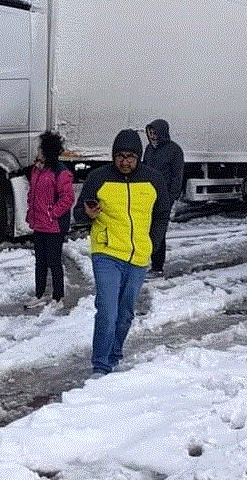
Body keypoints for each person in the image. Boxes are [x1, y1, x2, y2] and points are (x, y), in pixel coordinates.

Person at [74, 129, 169, 378]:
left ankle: (114, 355)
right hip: (106, 252)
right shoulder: (98, 178)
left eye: (130, 156)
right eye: (120, 156)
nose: (125, 161)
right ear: (113, 156)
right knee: (107, 309)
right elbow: (79, 212)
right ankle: (101, 365)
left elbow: (161, 215)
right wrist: (87, 215)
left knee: (125, 313)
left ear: (138, 157)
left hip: (138, 256)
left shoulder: (153, 180)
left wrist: (153, 243)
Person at [22, 131, 74, 310]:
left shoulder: (60, 172)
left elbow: (67, 199)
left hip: (53, 226)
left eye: (40, 148)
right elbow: (33, 194)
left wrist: (52, 214)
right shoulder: (37, 168)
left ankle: (58, 297)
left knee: (54, 261)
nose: (37, 151)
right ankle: (39, 294)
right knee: (40, 262)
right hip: (39, 225)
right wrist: (32, 214)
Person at [143, 118, 184, 274]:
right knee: (145, 229)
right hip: (147, 196)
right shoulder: (149, 149)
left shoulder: (174, 150)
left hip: (163, 198)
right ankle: (144, 262)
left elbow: (177, 176)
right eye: (150, 133)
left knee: (158, 232)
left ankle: (157, 266)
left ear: (163, 133)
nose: (153, 136)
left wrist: (171, 197)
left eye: (155, 133)